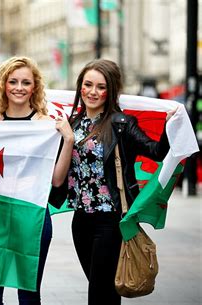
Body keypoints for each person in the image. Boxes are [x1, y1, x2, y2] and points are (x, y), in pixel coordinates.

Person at [0, 56, 74, 305]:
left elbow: (56, 181)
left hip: (32, 215)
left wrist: (68, 140)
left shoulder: (47, 126)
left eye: (26, 82)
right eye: (13, 81)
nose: (19, 87)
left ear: (35, 87)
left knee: (29, 293)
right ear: (3, 85)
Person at [65, 59, 176, 305]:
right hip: (80, 220)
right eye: (88, 85)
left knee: (100, 293)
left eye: (100, 87)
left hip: (110, 221)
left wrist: (169, 126)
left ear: (111, 90)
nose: (93, 92)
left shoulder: (121, 124)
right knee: (105, 291)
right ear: (80, 87)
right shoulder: (72, 123)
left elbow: (156, 151)